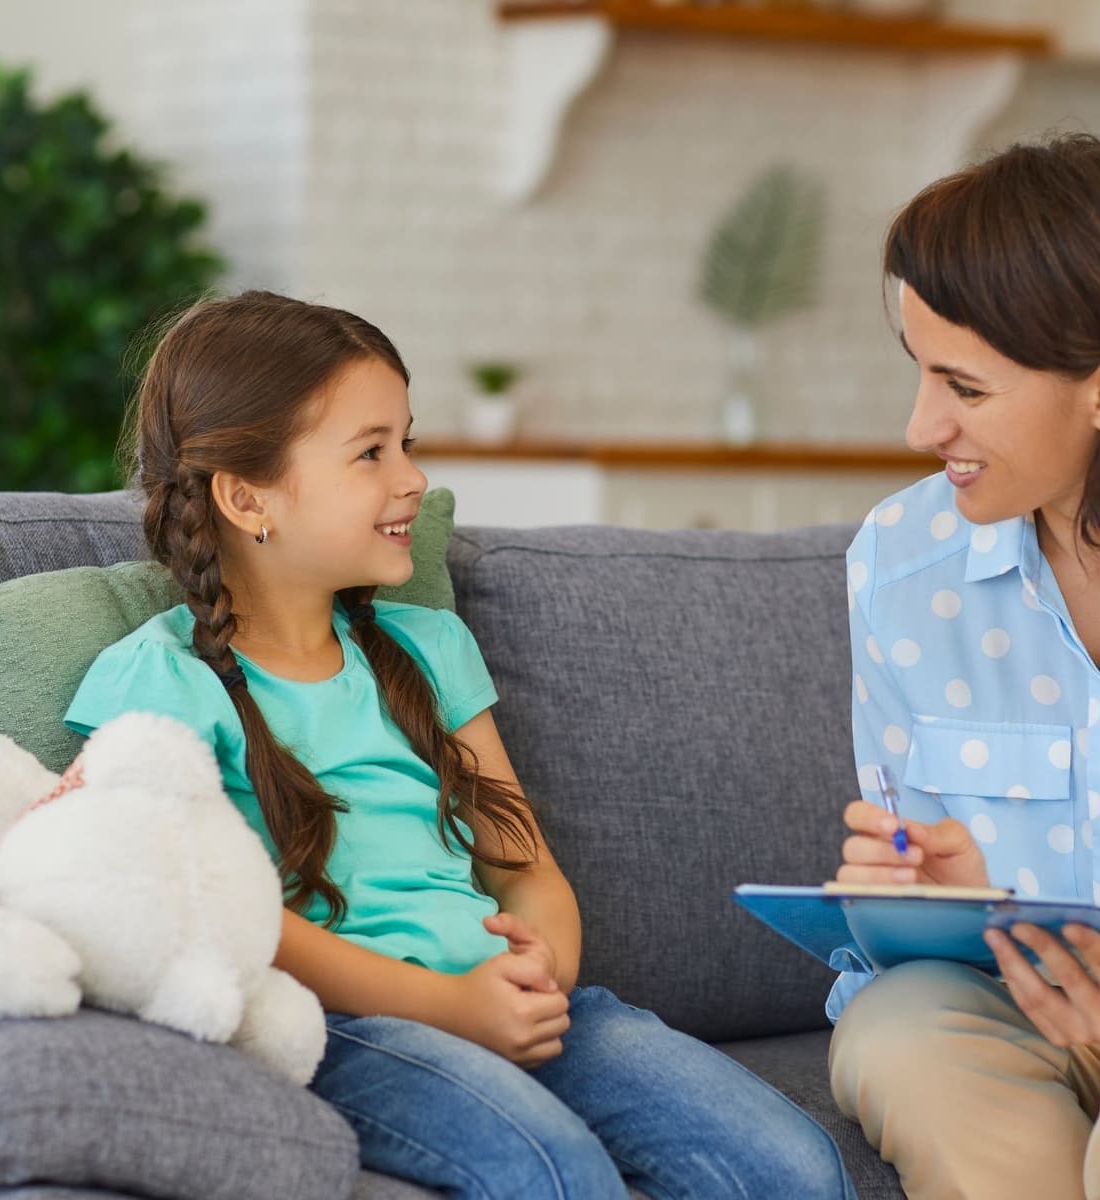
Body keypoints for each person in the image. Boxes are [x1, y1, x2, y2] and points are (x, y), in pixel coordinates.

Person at [64, 290, 858, 1200]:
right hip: (350, 1031)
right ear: (248, 497)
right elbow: (220, 919)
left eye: (407, 442)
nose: (414, 479)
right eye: (371, 452)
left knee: (798, 1167)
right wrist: (451, 1007)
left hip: (506, 999)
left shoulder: (430, 650)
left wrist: (538, 973)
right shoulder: (159, 682)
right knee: (553, 1173)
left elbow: (526, 869)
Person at [828, 134, 1100, 1200]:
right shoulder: (901, 564)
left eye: (965, 387)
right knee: (898, 1039)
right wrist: (928, 896)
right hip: (1004, 1001)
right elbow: (914, 873)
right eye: (919, 372)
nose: (920, 427)